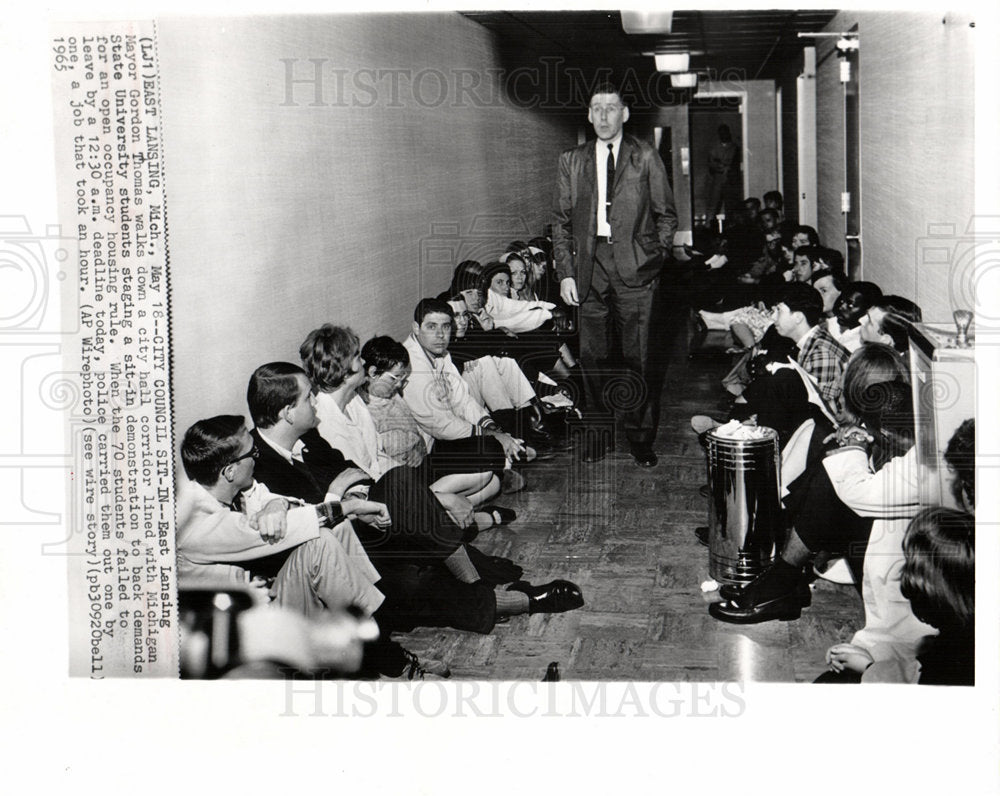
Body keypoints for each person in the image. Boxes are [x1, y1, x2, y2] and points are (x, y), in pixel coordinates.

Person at [175, 414, 450, 678]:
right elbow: (289, 527)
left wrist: (276, 503)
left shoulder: (238, 490)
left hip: (264, 600)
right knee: (318, 543)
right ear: (230, 470)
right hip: (246, 634)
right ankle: (383, 651)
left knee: (336, 528)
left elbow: (290, 504)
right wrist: (350, 505)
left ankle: (378, 638)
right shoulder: (197, 525)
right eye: (252, 454)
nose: (257, 458)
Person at [551, 80, 678, 466]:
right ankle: (596, 434)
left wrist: (653, 258)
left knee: (638, 358)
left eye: (612, 108)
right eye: (597, 108)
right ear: (589, 116)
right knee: (592, 359)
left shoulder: (646, 156)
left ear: (624, 113)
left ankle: (640, 437)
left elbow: (666, 216)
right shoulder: (571, 161)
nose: (604, 115)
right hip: (589, 269)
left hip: (636, 269)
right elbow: (560, 221)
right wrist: (567, 273)